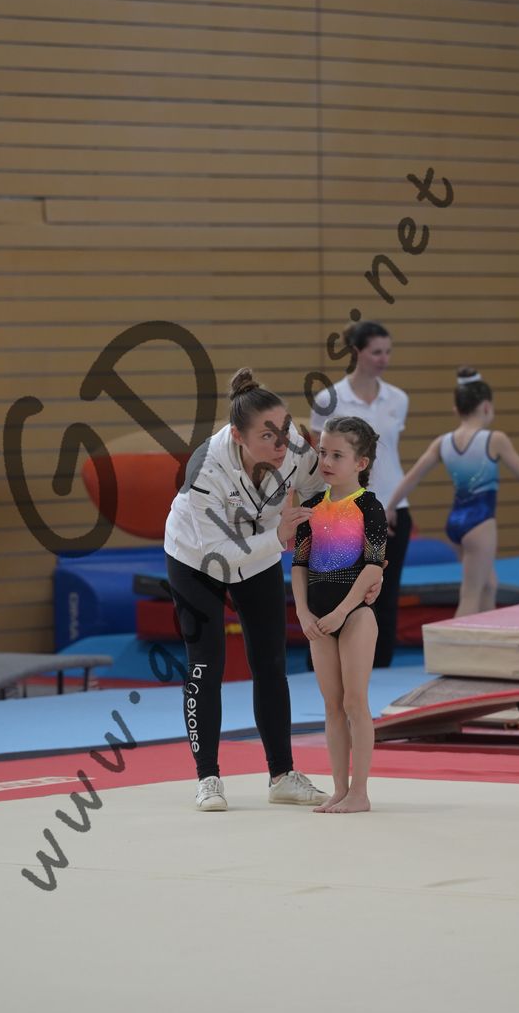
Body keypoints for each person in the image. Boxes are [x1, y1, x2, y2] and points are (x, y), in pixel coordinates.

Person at [164, 368, 382, 811]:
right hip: (197, 558)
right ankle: (208, 777)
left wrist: (369, 564)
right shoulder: (206, 470)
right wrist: (279, 536)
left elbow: (331, 497)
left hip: (261, 552)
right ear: (238, 437)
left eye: (284, 428)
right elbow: (218, 555)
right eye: (268, 435)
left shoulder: (296, 450)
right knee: (206, 663)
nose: (283, 442)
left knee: (270, 662)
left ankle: (281, 775)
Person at [385, 367, 519, 617]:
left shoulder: (443, 442)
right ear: (486, 406)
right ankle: (454, 643)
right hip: (480, 522)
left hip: (456, 522)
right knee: (470, 595)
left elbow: (412, 478)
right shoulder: (494, 439)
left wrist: (391, 506)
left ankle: (490, 637)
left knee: (489, 585)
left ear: (456, 410)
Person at [291, 417, 387, 814]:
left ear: (360, 463)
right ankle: (339, 789)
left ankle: (360, 792)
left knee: (354, 702)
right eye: (323, 453)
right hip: (318, 620)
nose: (326, 462)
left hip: (355, 616)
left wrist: (343, 610)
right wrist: (302, 611)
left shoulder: (370, 507)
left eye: (337, 455)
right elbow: (299, 565)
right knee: (331, 705)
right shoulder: (311, 509)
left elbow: (373, 565)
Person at [309, 321, 410, 668]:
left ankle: (379, 666)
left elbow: (390, 458)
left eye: (388, 352)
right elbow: (320, 459)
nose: (384, 359)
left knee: (385, 590)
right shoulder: (329, 399)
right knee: (332, 587)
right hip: (342, 510)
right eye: (376, 352)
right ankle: (326, 663)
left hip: (392, 507)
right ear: (356, 352)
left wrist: (390, 505)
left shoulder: (398, 399)